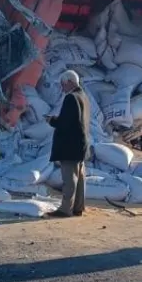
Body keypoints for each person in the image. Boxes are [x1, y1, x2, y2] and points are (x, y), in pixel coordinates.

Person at [46, 70, 90, 218]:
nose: (62, 88)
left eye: (63, 84)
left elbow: (65, 123)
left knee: (69, 179)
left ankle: (65, 209)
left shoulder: (71, 98)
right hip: (81, 144)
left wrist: (52, 120)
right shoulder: (83, 96)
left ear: (70, 82)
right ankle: (78, 208)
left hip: (70, 146)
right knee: (80, 178)